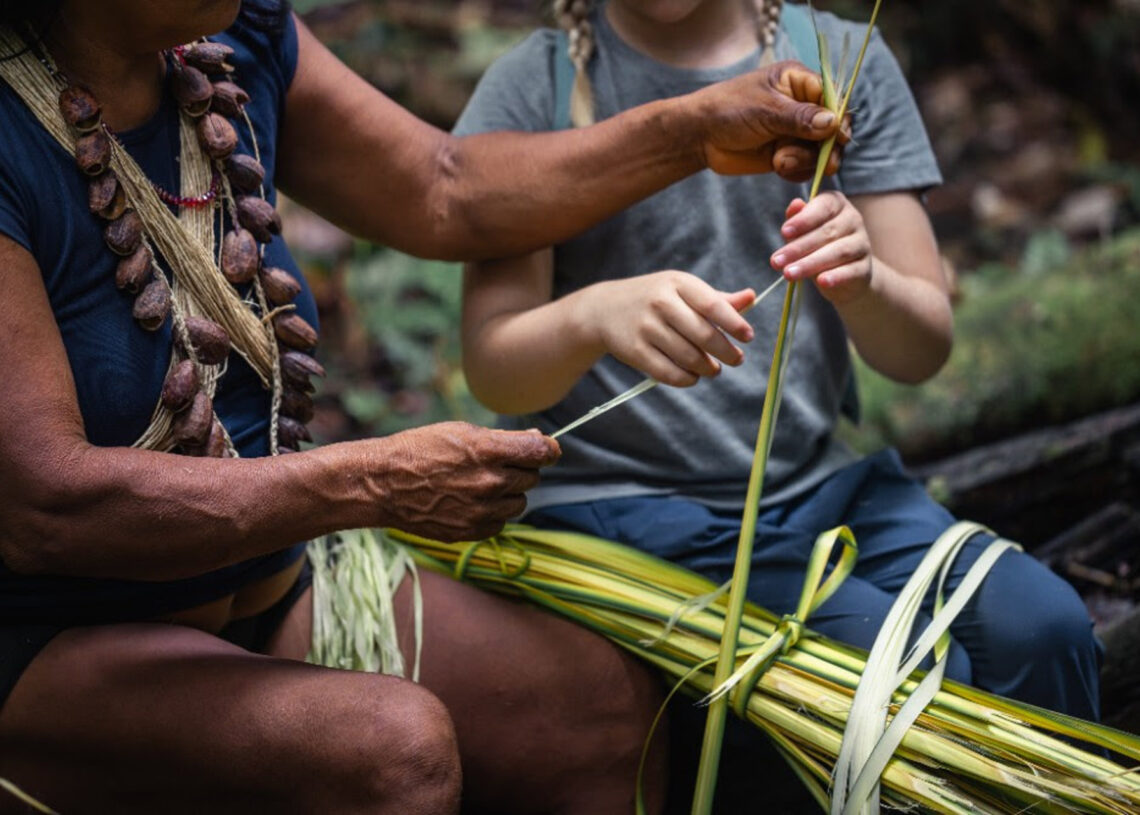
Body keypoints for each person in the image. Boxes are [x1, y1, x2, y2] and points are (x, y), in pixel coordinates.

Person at [0, 1, 848, 813]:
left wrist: (692, 129)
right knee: (392, 754)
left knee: (599, 711)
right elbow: (42, 503)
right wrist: (372, 484)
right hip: (52, 647)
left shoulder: (228, 39)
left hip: (273, 591)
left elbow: (446, 189)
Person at [457, 0, 1103, 806]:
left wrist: (862, 282)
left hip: (818, 487)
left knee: (1041, 629)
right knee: (882, 670)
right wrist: (596, 316)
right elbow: (493, 365)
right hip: (618, 506)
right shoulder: (536, 88)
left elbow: (921, 345)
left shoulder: (835, 61)